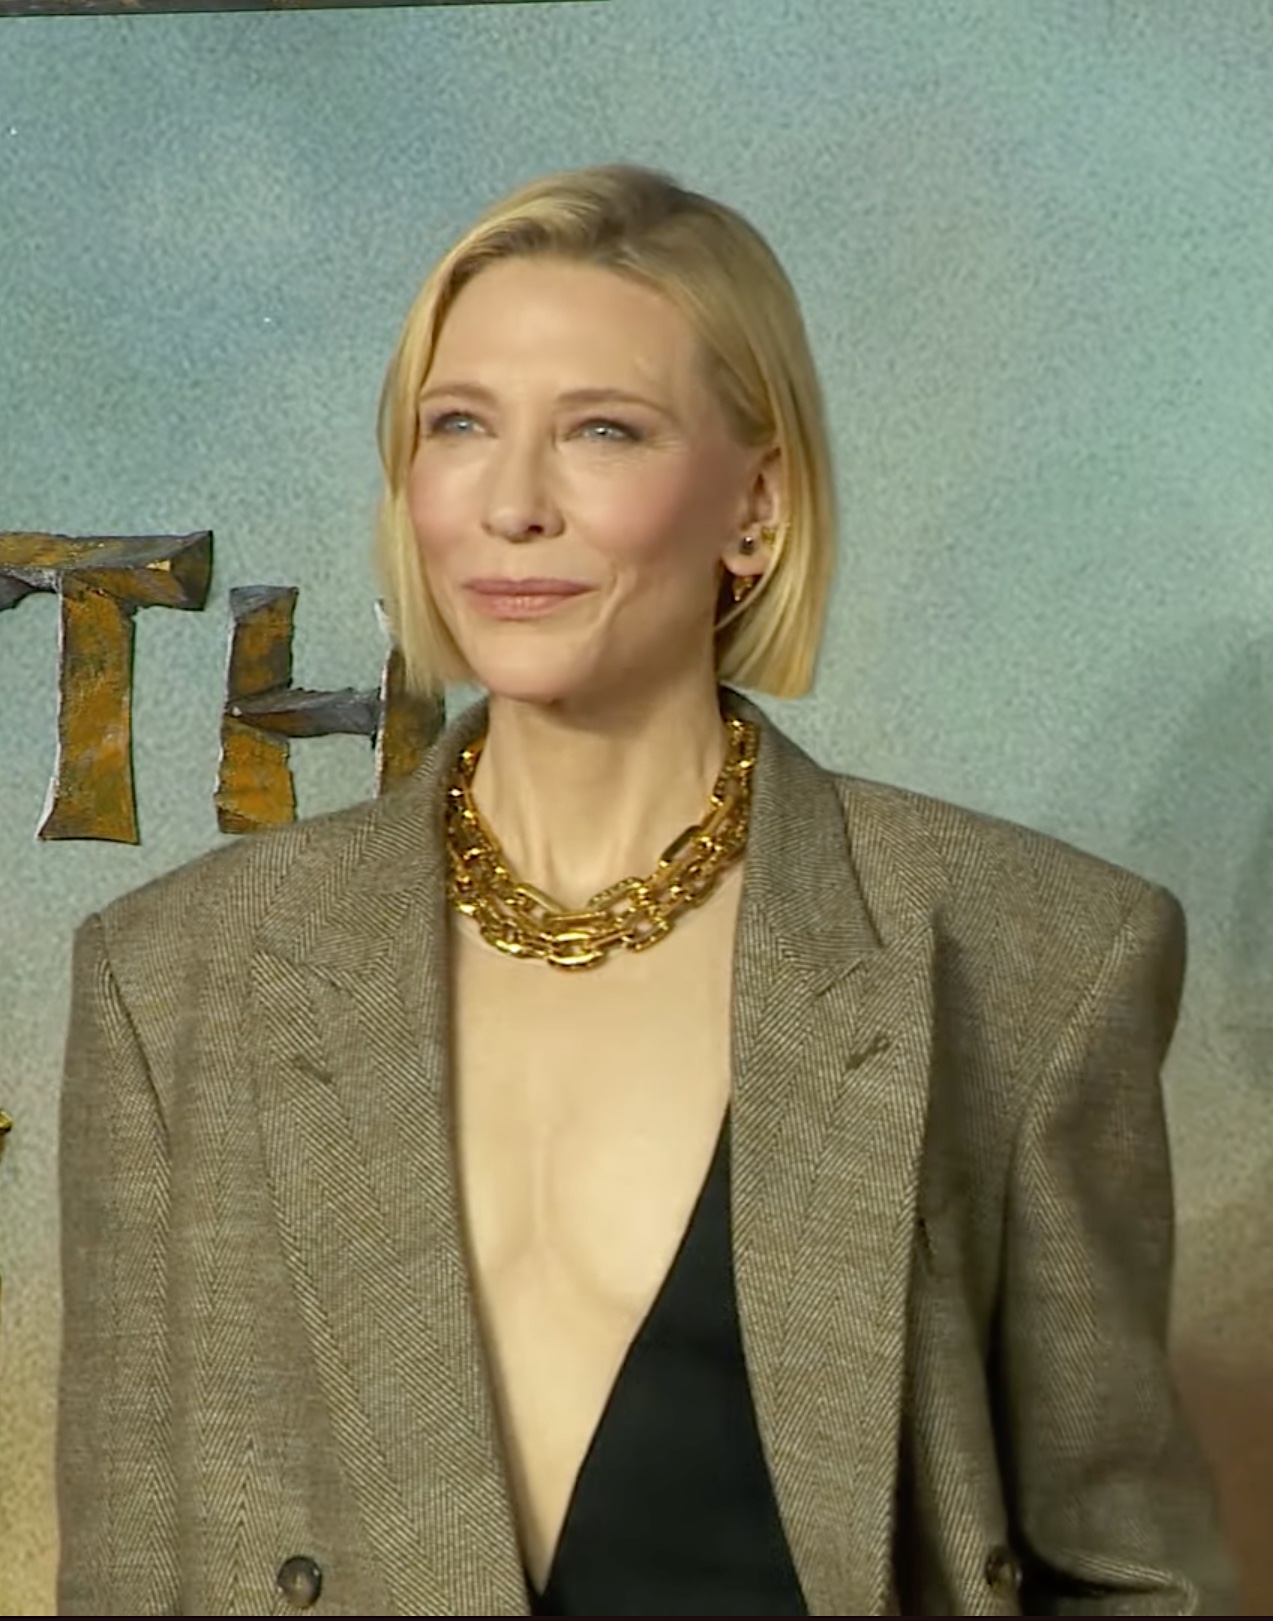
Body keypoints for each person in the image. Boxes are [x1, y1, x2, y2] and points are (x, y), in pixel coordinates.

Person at [57, 164, 1236, 1617]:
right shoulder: (170, 979)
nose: (512, 504)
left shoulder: (1031, 953)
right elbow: (129, 1572)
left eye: (601, 430)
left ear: (755, 505)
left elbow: (1129, 1575)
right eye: (458, 426)